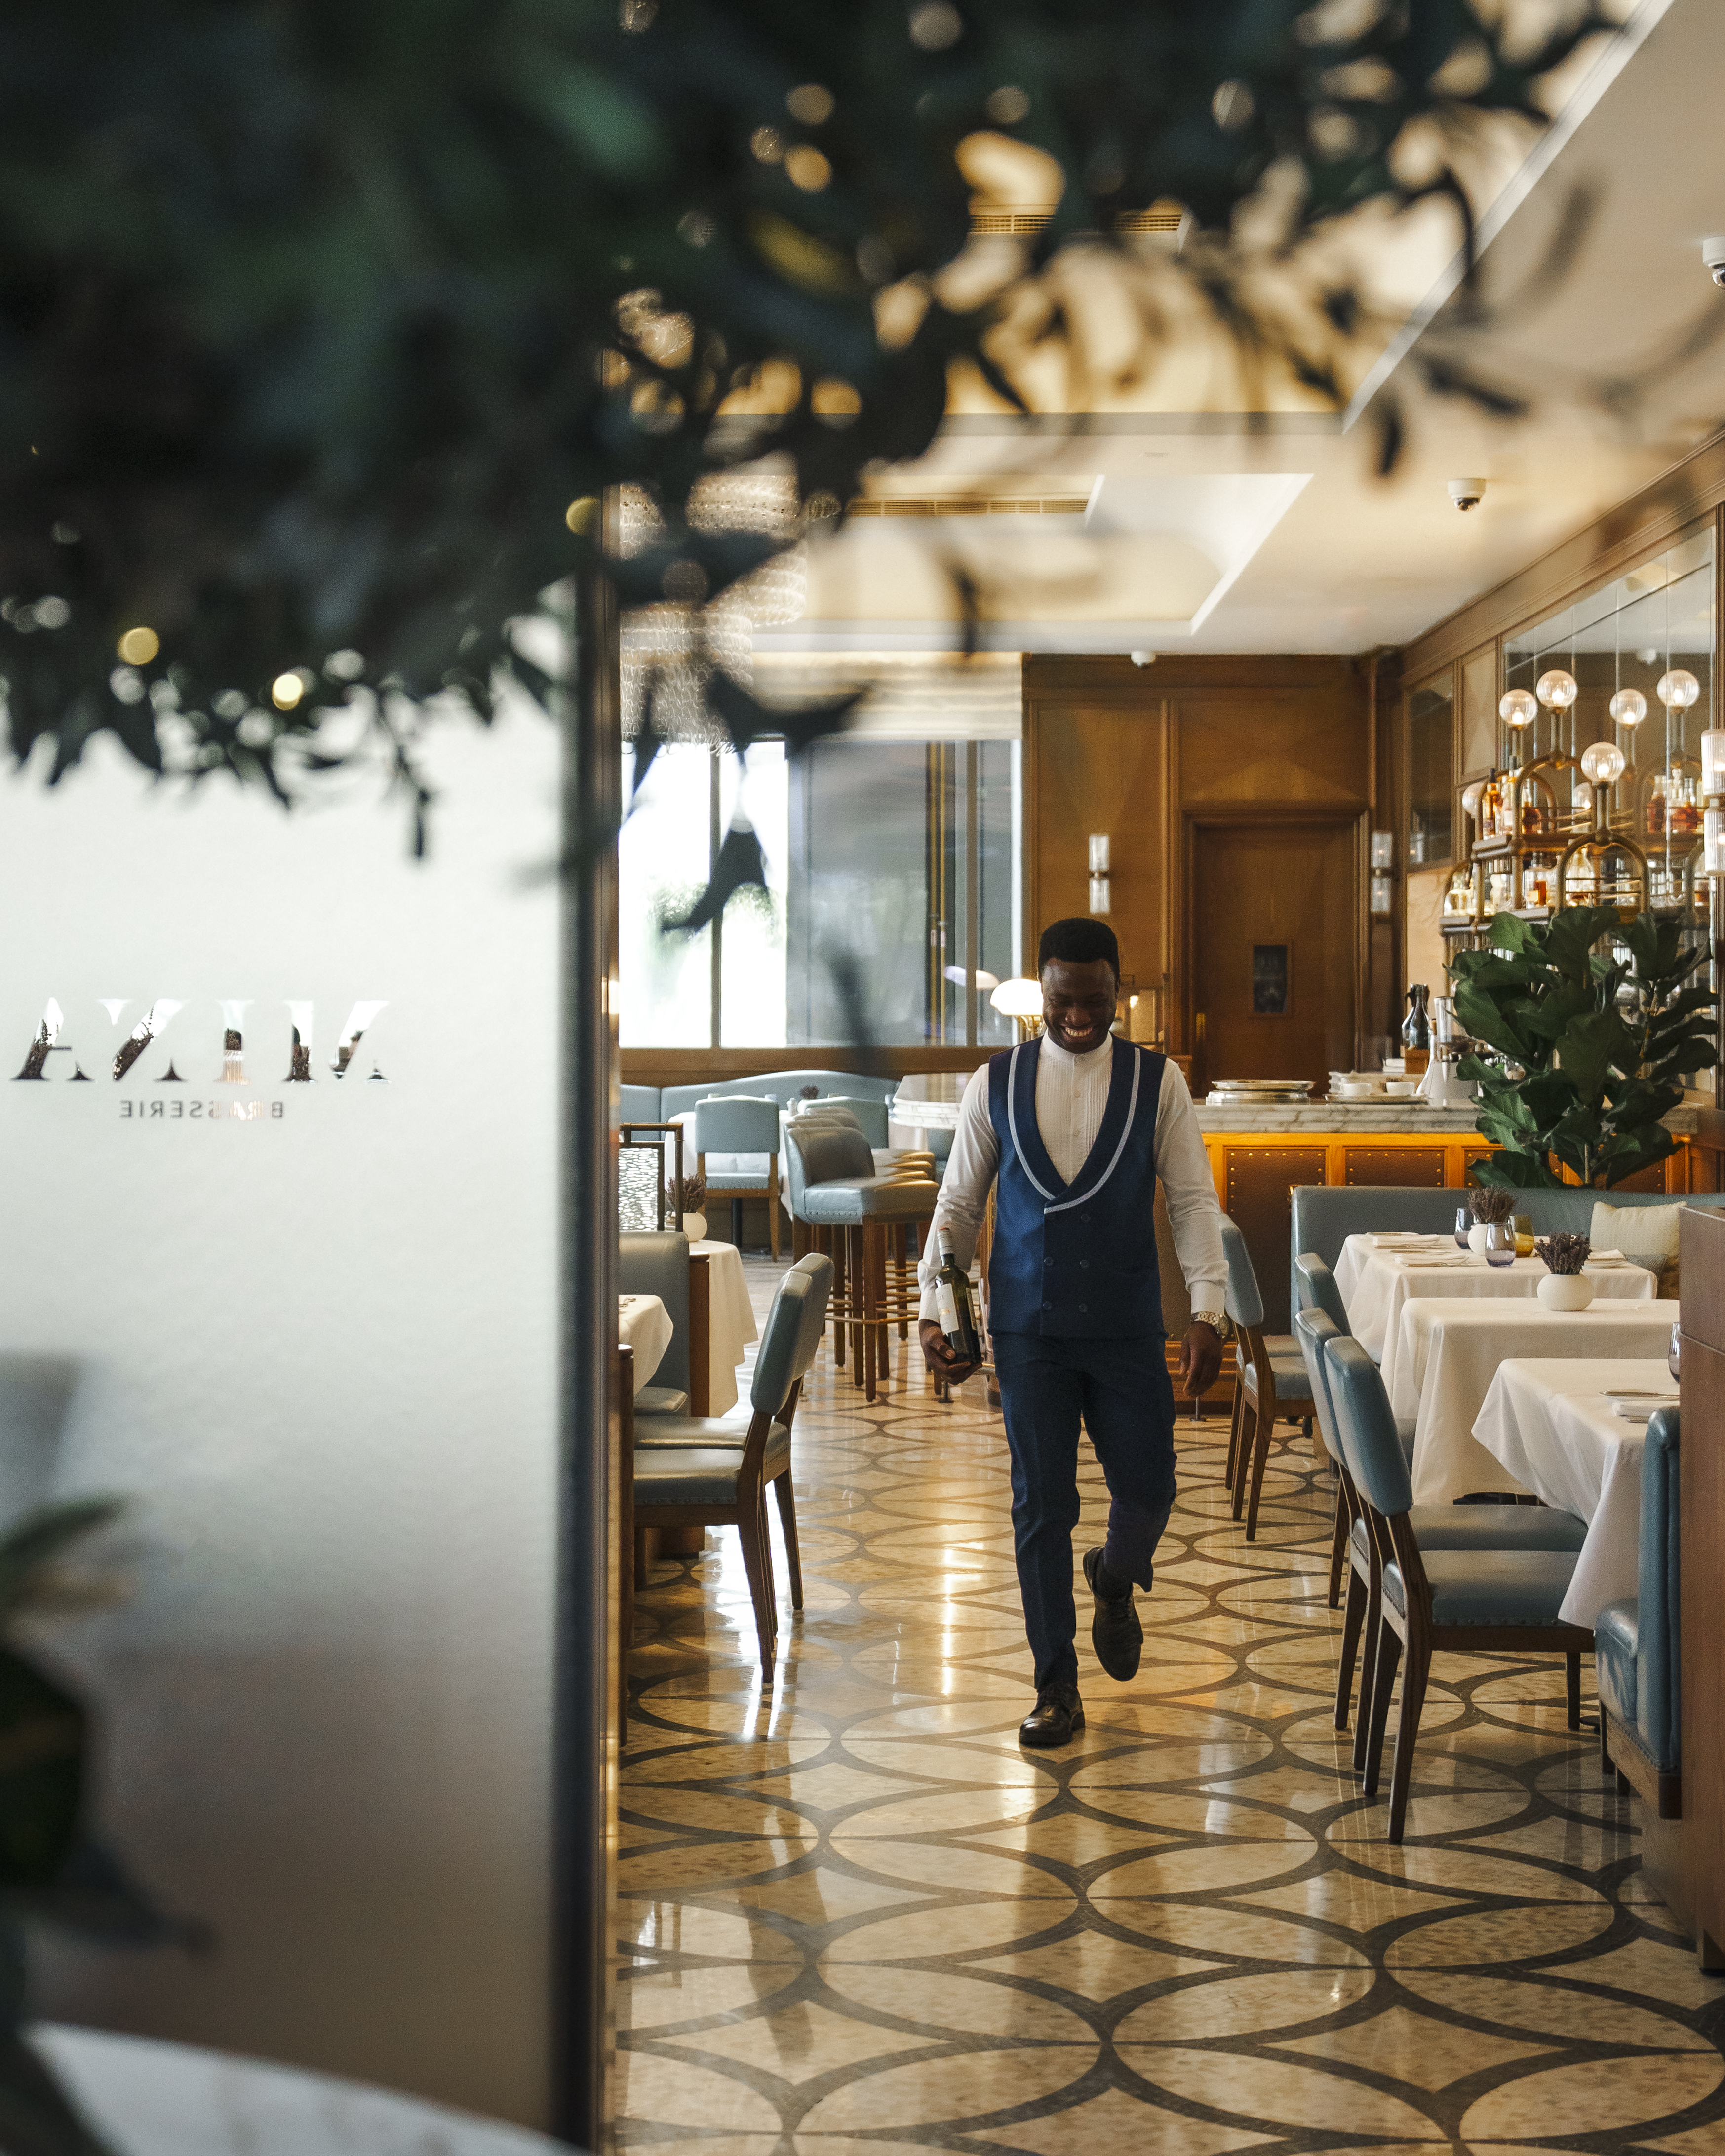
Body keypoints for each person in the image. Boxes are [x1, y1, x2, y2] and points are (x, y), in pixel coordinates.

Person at [919, 918, 1227, 1748]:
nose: (1078, 1017)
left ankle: (1115, 1577)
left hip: (1126, 1324)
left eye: (1094, 1001)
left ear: (1115, 993)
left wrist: (1208, 1309)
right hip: (1029, 1329)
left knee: (1150, 1488)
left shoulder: (1158, 1084)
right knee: (1040, 1506)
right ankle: (1055, 1684)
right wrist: (932, 1311)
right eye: (1062, 1000)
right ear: (1041, 994)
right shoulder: (995, 1083)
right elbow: (957, 1209)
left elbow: (1194, 1203)